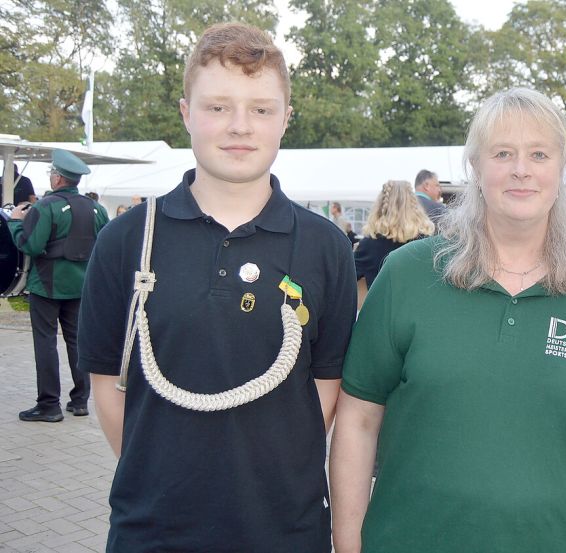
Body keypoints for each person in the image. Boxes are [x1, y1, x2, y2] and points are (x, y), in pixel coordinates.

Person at [76, 23, 356, 552]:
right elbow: (109, 389)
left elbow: (326, 391)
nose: (239, 127)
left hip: (284, 532)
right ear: (186, 113)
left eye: (261, 109)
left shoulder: (325, 247)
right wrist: (167, 478)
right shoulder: (125, 241)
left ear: (285, 120)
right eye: (217, 107)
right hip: (153, 532)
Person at [330, 87, 566, 553]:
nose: (521, 169)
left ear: (560, 169)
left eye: (539, 154)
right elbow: (357, 419)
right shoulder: (409, 275)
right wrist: (348, 542)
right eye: (503, 153)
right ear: (476, 167)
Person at [9, 149, 108, 422]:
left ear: (58, 178)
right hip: (81, 286)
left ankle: (48, 405)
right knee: (77, 342)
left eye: (52, 173)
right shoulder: (96, 208)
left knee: (45, 342)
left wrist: (17, 224)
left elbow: (31, 245)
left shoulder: (45, 206)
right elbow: (104, 249)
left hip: (47, 284)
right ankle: (79, 401)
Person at [354, 180, 433, 290]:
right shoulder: (426, 244)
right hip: (419, 306)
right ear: (414, 205)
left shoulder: (367, 246)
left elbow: (346, 278)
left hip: (381, 306)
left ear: (380, 205)